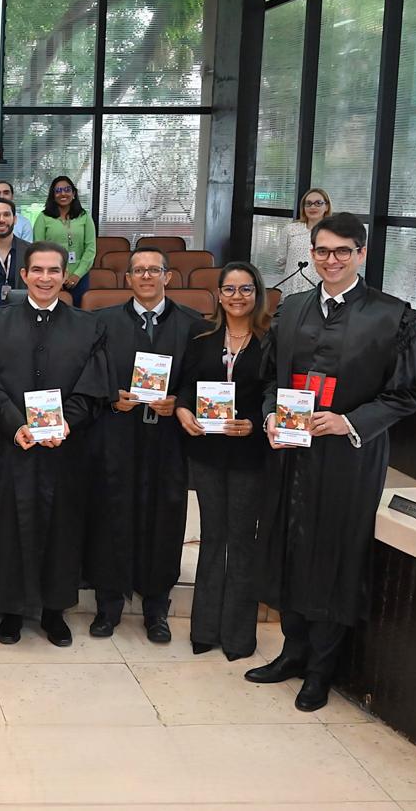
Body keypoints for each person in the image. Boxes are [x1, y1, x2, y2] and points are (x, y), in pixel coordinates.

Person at [247, 212, 416, 712]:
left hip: (349, 456)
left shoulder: (393, 317)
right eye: (322, 251)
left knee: (334, 555)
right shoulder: (292, 309)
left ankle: (321, 670)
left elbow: (414, 389)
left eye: (342, 251)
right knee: (290, 545)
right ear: (311, 253)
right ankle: (292, 653)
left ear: (361, 254)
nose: (331, 260)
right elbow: (270, 379)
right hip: (291, 454)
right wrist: (270, 415)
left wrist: (350, 422)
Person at [0, 241, 110, 646]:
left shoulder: (88, 327)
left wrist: (67, 423)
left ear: (65, 275)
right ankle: (11, 611)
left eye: (54, 271)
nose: (45, 278)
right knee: (9, 529)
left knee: (60, 530)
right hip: (12, 446)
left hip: (64, 449)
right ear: (24, 275)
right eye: (38, 270)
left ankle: (54, 612)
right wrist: (15, 425)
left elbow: (92, 387)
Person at [86, 248, 207, 643]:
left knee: (165, 518)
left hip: (168, 440)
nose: (146, 276)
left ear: (168, 276)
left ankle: (156, 608)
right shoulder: (103, 323)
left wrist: (181, 401)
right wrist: (111, 396)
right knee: (112, 515)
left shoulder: (193, 324)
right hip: (117, 435)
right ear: (128, 279)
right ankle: (108, 606)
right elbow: (89, 372)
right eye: (138, 271)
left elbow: (202, 378)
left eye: (154, 270)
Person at [174, 261, 270, 661]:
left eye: (245, 289)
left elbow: (276, 394)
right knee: (213, 538)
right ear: (218, 294)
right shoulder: (202, 336)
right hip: (207, 453)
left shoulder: (270, 340)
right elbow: (185, 387)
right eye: (229, 289)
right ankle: (204, 629)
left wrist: (256, 424)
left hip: (250, 453)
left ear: (257, 294)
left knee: (242, 541)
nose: (237, 297)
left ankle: (238, 637)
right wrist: (183, 412)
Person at [33, 175, 96, 307]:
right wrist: (55, 276)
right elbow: (38, 251)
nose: (63, 194)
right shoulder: (43, 217)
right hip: (51, 276)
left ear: (73, 194)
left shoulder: (84, 216)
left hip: (80, 277)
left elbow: (90, 249)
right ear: (53, 195)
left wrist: (77, 275)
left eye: (67, 190)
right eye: (58, 191)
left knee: (79, 314)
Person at [274, 187, 330, 297]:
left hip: (320, 290)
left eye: (318, 203)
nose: (312, 207)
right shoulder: (290, 229)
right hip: (292, 289)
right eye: (308, 204)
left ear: (326, 207)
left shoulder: (333, 232)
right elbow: (281, 261)